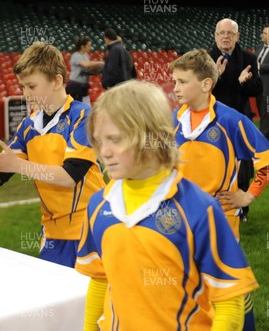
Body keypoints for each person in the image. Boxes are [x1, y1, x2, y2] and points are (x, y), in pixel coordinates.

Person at [76, 80, 258, 330]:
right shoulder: (98, 204)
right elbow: (99, 278)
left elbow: (229, 301)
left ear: (155, 137)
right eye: (98, 141)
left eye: (115, 139)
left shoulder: (199, 209)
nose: (104, 151)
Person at [0, 42, 105, 268]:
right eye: (22, 87)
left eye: (31, 86)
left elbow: (69, 177)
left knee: (93, 302)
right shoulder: (28, 125)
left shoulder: (82, 116)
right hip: (52, 235)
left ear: (57, 81)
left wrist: (18, 166)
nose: (25, 94)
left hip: (89, 229)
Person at [170, 49, 269, 330]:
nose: (175, 87)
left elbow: (268, 161)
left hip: (221, 218)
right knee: (193, 283)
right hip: (180, 219)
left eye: (183, 82)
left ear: (206, 84)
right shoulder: (173, 120)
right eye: (174, 81)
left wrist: (249, 195)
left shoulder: (232, 120)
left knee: (229, 286)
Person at [210, 18, 264, 223]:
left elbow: (258, 90)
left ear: (237, 37)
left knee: (243, 164)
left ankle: (242, 209)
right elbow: (199, 92)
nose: (225, 37)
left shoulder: (249, 58)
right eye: (221, 33)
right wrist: (216, 77)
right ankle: (214, 205)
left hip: (240, 119)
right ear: (215, 36)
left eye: (230, 33)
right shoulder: (206, 59)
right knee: (217, 163)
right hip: (214, 121)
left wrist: (245, 82)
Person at [66, 35, 104, 105]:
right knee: (74, 107)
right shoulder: (76, 55)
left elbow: (88, 68)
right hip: (75, 86)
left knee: (86, 107)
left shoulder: (86, 56)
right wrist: (100, 63)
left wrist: (98, 70)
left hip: (83, 86)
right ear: (82, 47)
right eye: (89, 46)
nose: (90, 47)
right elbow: (85, 64)